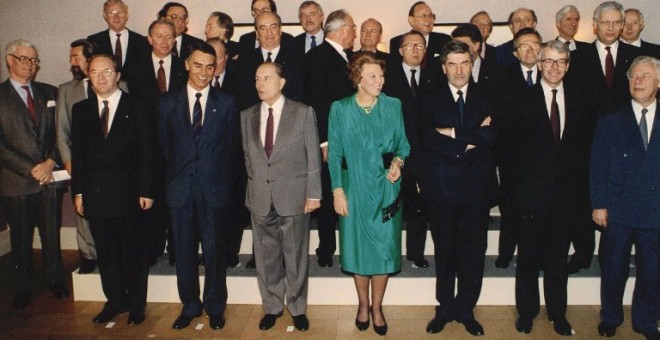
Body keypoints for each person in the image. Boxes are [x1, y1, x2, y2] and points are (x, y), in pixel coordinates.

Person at [508, 40, 591, 336]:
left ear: (568, 65)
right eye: (548, 61)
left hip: (566, 198)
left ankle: (558, 314)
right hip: (530, 197)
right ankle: (527, 313)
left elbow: (585, 151)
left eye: (561, 62)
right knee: (527, 260)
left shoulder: (581, 99)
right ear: (539, 64)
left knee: (558, 260)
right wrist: (516, 196)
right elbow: (510, 154)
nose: (554, 67)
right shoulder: (521, 99)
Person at [328, 51, 410, 336]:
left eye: (382, 75)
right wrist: (338, 191)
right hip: (353, 189)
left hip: (387, 188)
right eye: (373, 76)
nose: (380, 81)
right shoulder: (340, 108)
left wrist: (398, 163)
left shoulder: (393, 105)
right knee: (358, 251)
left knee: (385, 250)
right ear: (358, 80)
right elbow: (335, 153)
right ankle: (363, 305)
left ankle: (378, 307)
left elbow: (403, 145)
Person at [421, 40, 497, 337]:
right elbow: (426, 138)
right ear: (443, 67)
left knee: (473, 253)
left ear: (472, 63)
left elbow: (492, 136)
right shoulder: (429, 96)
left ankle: (466, 309)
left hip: (477, 190)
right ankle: (444, 309)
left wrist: (450, 132)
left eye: (464, 63)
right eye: (452, 64)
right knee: (445, 252)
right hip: (442, 188)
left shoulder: (487, 95)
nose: (459, 70)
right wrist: (467, 141)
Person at [71, 54, 153, 325]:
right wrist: (79, 192)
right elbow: (79, 156)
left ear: (118, 75)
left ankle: (136, 305)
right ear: (88, 77)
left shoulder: (138, 106)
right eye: (95, 72)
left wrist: (147, 190)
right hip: (96, 195)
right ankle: (115, 301)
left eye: (107, 71)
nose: (101, 77)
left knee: (133, 253)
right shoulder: (81, 110)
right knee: (106, 254)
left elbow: (147, 153)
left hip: (130, 195)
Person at [159, 42, 236, 331]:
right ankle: (190, 305)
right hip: (180, 192)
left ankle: (215, 307)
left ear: (216, 67)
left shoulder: (226, 102)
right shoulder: (168, 103)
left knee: (215, 253)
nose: (204, 72)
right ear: (186, 65)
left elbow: (230, 149)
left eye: (210, 66)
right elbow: (165, 149)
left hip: (214, 190)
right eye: (198, 65)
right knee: (184, 252)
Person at [241, 62, 322, 332]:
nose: (260, 84)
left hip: (294, 197)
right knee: (266, 257)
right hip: (261, 197)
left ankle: (297, 308)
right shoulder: (247, 115)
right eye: (257, 79)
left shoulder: (302, 112)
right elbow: (248, 159)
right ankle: (272, 306)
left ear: (282, 82)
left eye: (267, 78)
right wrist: (254, 188)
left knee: (296, 256)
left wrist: (313, 194)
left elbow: (313, 157)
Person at [590, 55, 660, 340]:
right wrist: (598, 204)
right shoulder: (611, 120)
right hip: (617, 208)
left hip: (655, 210)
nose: (638, 81)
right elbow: (598, 165)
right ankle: (611, 317)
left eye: (645, 76)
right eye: (633, 76)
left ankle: (645, 320)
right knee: (614, 267)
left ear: (658, 81)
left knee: (652, 271)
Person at [0, 39, 69, 310]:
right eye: (24, 59)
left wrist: (51, 161)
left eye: (34, 60)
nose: (30, 65)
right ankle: (22, 286)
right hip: (16, 181)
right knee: (20, 237)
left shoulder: (49, 92)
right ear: (9, 61)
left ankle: (54, 279)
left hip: (49, 178)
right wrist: (30, 168)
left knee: (52, 233)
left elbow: (61, 133)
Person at [131, 19, 187, 267]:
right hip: (147, 145)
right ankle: (153, 249)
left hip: (178, 145)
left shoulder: (184, 68)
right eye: (159, 36)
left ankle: (178, 250)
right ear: (149, 39)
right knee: (152, 199)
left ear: (175, 39)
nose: (165, 41)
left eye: (169, 36)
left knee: (176, 200)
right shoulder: (135, 67)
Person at [303, 8, 357, 268]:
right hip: (329, 143)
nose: (355, 33)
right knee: (327, 196)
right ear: (343, 29)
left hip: (348, 140)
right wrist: (324, 142)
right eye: (353, 28)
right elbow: (316, 102)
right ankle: (326, 250)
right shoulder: (318, 57)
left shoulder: (345, 57)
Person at [382, 31, 434, 269]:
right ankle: (387, 254)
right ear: (400, 51)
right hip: (393, 153)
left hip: (424, 153)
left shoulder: (434, 77)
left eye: (420, 45)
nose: (416, 49)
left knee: (419, 206)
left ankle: (416, 253)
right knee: (390, 206)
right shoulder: (387, 78)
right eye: (410, 45)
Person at [496, 28, 543, 269]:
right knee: (511, 207)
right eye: (524, 45)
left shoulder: (550, 75)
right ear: (515, 53)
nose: (530, 49)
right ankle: (505, 253)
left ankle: (536, 255)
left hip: (543, 158)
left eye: (535, 44)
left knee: (539, 208)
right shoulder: (502, 77)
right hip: (512, 157)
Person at [56, 39, 99, 275]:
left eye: (76, 57)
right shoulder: (66, 90)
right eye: (71, 57)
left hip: (111, 164)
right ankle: (89, 255)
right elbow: (61, 131)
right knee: (83, 210)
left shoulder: (118, 83)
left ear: (90, 57)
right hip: (80, 163)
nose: (72, 61)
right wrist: (68, 161)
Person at [207, 37, 244, 268]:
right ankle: (212, 253)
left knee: (234, 209)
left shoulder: (241, 81)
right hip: (206, 159)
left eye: (218, 57)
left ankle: (231, 252)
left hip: (233, 158)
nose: (214, 62)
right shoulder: (195, 83)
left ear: (226, 58)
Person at [236, 11, 303, 110]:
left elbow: (299, 94)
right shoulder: (245, 60)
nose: (269, 33)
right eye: (263, 28)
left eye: (273, 27)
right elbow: (243, 95)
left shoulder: (297, 58)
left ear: (280, 30)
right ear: (257, 34)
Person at [87, 0, 149, 81]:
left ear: (126, 15)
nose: (116, 17)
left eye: (120, 13)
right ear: (105, 16)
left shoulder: (141, 41)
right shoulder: (94, 41)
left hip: (134, 92)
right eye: (111, 13)